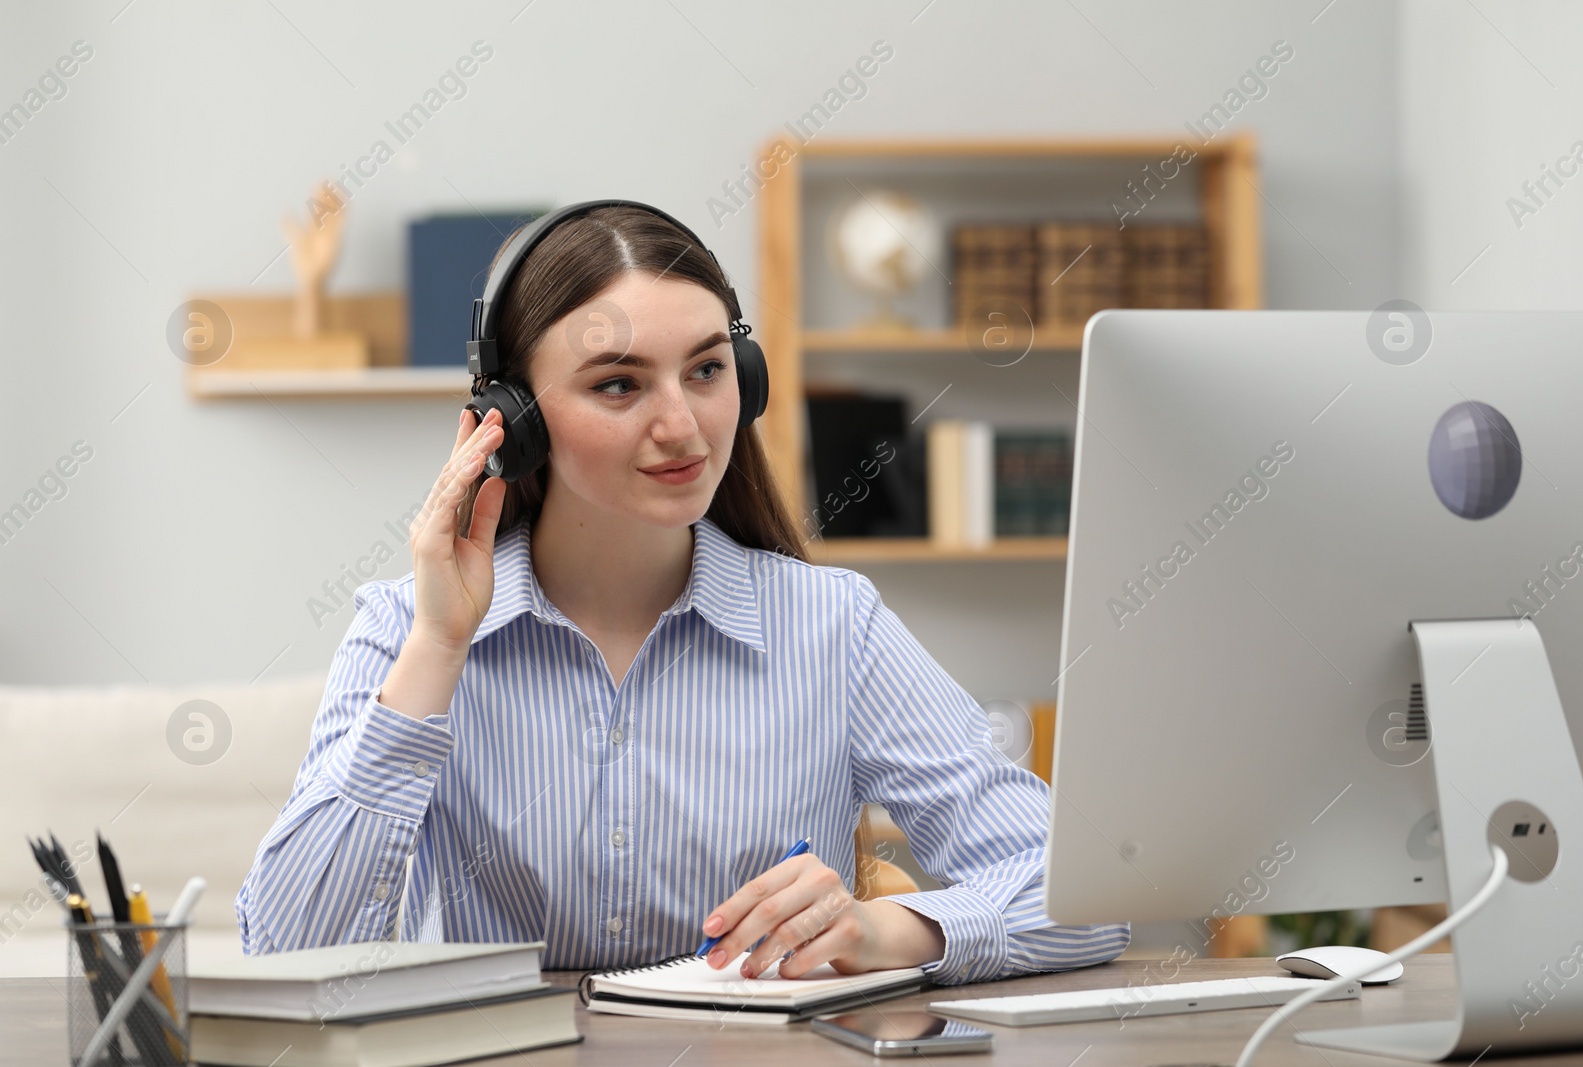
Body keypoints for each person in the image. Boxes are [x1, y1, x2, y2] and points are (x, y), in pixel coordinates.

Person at [235, 204, 1130, 985]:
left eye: (706, 370)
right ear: (516, 420)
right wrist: (437, 648)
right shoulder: (404, 627)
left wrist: (886, 929)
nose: (682, 425)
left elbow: (1087, 892)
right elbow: (287, 947)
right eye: (619, 383)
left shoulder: (832, 627)